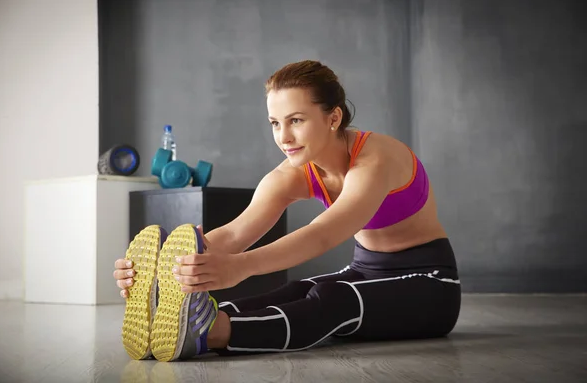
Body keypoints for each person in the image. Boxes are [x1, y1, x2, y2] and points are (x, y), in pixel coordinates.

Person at [113, 60, 461, 362]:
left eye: (296, 120)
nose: (284, 137)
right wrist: (159, 272)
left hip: (430, 285)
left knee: (334, 298)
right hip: (365, 271)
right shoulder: (291, 173)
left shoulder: (376, 160)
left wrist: (241, 267)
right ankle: (175, 325)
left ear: (333, 118)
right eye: (275, 123)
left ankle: (214, 333)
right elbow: (235, 234)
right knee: (294, 291)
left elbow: (323, 232)